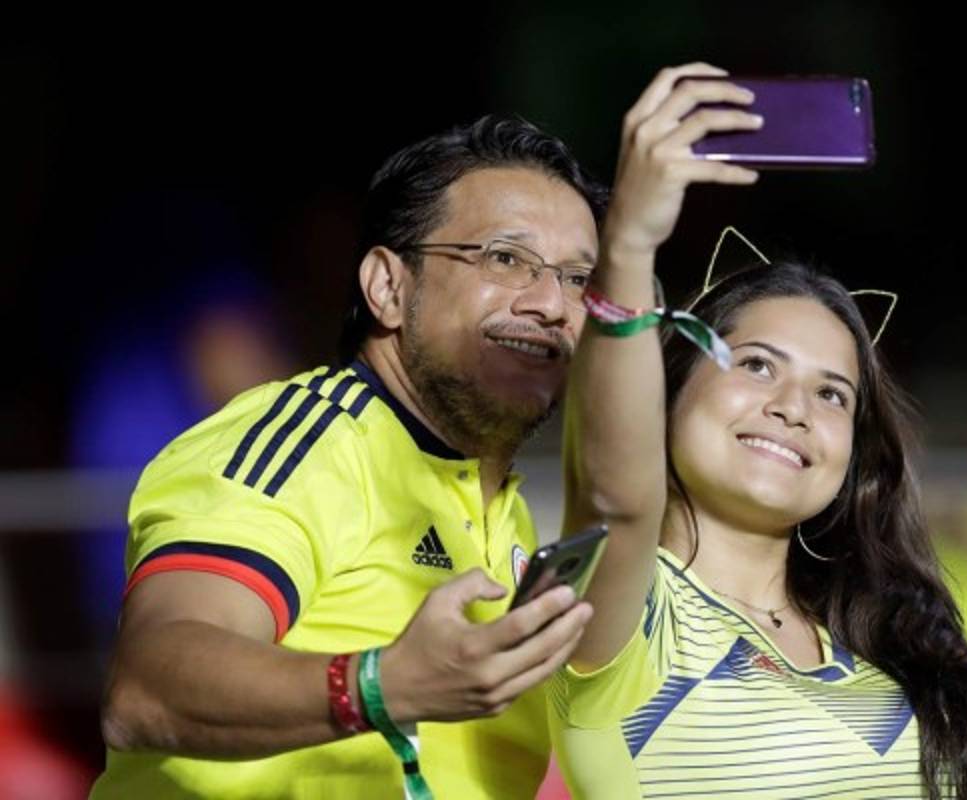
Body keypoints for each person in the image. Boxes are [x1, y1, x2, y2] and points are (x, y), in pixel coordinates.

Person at [549, 64, 967, 799]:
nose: (795, 407)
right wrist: (628, 247)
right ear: (670, 386)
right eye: (757, 365)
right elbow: (614, 494)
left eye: (832, 394)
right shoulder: (629, 615)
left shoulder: (887, 647)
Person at [92, 114, 605, 799]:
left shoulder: (498, 505)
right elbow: (145, 687)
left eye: (577, 279)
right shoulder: (307, 443)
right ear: (389, 287)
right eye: (505, 259)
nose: (551, 303)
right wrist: (380, 684)